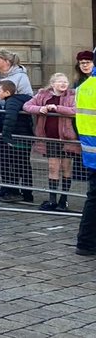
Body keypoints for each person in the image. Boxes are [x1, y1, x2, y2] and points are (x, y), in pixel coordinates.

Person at [25, 73, 80, 211]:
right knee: (53, 167)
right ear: (53, 83)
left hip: (68, 138)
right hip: (50, 138)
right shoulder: (43, 95)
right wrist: (40, 109)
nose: (63, 84)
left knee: (66, 168)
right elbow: (27, 106)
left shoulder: (72, 95)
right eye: (60, 82)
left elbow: (75, 110)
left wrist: (57, 108)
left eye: (65, 82)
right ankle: (52, 200)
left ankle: (64, 200)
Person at [0, 79, 34, 204]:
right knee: (23, 165)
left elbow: (10, 119)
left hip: (18, 138)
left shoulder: (11, 102)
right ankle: (26, 193)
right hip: (24, 136)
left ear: (7, 92)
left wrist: (6, 137)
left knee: (17, 165)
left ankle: (17, 192)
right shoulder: (19, 99)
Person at [74, 49, 96, 256]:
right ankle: (87, 243)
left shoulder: (84, 86)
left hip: (90, 152)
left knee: (93, 198)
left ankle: (86, 242)